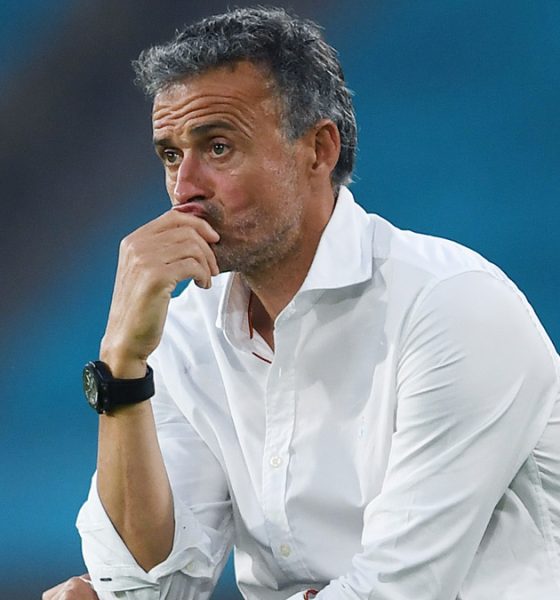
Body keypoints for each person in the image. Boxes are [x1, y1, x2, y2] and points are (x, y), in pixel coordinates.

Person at [43, 6, 560, 600]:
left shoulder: (452, 307)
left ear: (318, 149)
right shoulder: (183, 333)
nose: (184, 190)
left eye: (218, 147)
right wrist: (122, 364)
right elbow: (142, 590)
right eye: (170, 155)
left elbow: (396, 591)